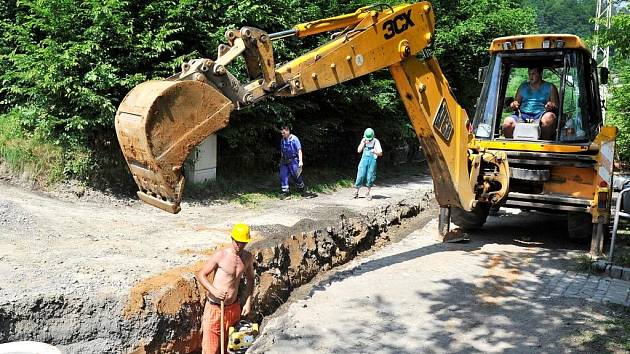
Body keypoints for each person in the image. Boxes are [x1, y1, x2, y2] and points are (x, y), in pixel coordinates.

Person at [197, 223, 255, 354]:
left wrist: (248, 302)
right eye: (237, 242)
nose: (240, 246)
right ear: (232, 239)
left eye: (243, 243)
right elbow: (201, 274)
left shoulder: (247, 258)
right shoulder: (221, 255)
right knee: (211, 350)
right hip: (215, 309)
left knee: (231, 349)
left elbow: (251, 279)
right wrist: (214, 291)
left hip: (233, 309)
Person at [502, 67, 559, 140]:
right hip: (522, 115)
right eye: (529, 74)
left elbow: (556, 106)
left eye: (533, 74)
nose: (530, 76)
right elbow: (516, 103)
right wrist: (513, 104)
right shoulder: (523, 86)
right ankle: (513, 146)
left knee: (549, 118)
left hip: (541, 114)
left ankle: (543, 144)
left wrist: (551, 105)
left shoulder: (550, 87)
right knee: (507, 123)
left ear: (540, 74)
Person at [353, 128, 382, 200]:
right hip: (364, 160)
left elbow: (380, 153)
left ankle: (368, 193)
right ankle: (356, 192)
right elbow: (359, 151)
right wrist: (363, 143)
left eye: (369, 138)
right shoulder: (364, 140)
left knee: (370, 176)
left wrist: (374, 151)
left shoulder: (376, 141)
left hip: (372, 161)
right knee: (360, 175)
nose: (368, 139)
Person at [279, 126, 305, 199]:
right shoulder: (282, 140)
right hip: (284, 160)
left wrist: (300, 161)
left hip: (293, 160)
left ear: (288, 131)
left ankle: (301, 188)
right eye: (281, 133)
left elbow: (299, 150)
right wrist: (281, 160)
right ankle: (285, 192)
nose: (282, 134)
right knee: (282, 175)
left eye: (283, 133)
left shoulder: (294, 139)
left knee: (295, 175)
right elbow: (282, 151)